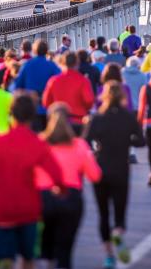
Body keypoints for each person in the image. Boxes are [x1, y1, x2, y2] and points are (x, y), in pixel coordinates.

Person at [0, 95, 66, 269]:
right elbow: (57, 176)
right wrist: (59, 190)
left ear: (11, 114)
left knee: (4, 260)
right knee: (28, 258)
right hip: (28, 208)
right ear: (32, 117)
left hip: (1, 208)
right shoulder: (38, 144)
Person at [85, 81, 146, 269]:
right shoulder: (128, 117)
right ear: (122, 97)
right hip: (121, 168)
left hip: (100, 168)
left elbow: (85, 141)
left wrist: (95, 150)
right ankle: (118, 231)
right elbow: (141, 141)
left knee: (103, 213)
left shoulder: (97, 118)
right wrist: (129, 140)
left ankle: (109, 255)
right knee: (119, 209)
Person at [36, 103, 102, 269]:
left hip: (44, 198)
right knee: (64, 250)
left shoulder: (39, 143)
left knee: (46, 247)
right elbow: (95, 176)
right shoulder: (79, 145)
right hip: (71, 199)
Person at [42, 52, 95, 136]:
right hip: (79, 121)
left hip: (59, 122)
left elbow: (46, 102)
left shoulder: (54, 80)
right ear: (77, 64)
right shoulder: (83, 80)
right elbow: (89, 101)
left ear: (62, 63)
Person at [15, 39, 61, 132]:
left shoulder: (27, 65)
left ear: (34, 50)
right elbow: (60, 82)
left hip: (31, 108)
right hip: (49, 108)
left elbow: (18, 86)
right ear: (46, 50)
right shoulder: (52, 66)